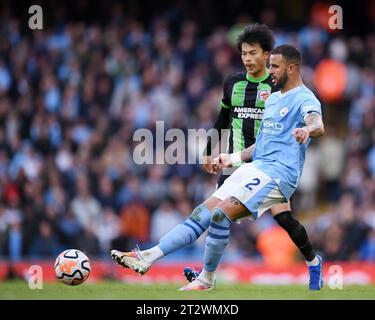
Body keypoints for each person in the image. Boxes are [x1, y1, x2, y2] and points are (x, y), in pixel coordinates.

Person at [111, 39, 324, 291]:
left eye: (275, 67)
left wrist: (307, 130)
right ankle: (148, 256)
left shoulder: (304, 98)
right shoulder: (274, 100)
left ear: (291, 68)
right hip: (255, 168)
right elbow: (261, 146)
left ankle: (207, 279)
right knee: (202, 212)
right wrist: (231, 158)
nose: (271, 72)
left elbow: (318, 124)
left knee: (224, 214)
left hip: (279, 176)